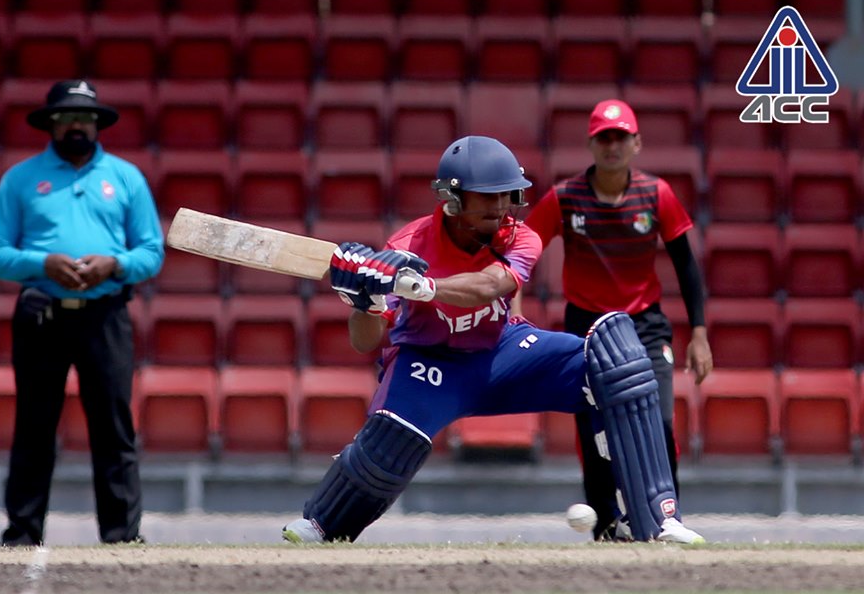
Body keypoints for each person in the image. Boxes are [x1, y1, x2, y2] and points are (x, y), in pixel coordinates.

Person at [281, 135, 704, 545]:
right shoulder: (407, 246)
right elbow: (364, 342)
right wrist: (366, 303)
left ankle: (656, 520)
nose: (501, 207)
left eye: (508, 195)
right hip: (429, 363)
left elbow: (490, 286)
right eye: (488, 197)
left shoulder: (519, 236)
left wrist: (425, 286)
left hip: (503, 352)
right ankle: (323, 524)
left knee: (616, 361)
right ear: (452, 199)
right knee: (391, 443)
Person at [0, 79, 164, 546]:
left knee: (113, 426)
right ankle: (22, 532)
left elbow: (151, 252)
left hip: (105, 313)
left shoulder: (125, 178)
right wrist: (42, 263)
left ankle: (122, 535)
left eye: (84, 117)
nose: (76, 126)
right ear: (51, 124)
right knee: (34, 424)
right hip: (42, 313)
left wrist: (114, 265)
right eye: (65, 118)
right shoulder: (21, 179)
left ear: (98, 123)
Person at [523, 99, 713, 541]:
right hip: (586, 326)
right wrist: (513, 308)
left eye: (620, 137)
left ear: (636, 143)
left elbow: (686, 266)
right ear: (592, 144)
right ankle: (608, 525)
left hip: (644, 324)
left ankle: (667, 519)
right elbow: (523, 251)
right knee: (594, 429)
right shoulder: (565, 198)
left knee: (659, 422)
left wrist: (699, 333)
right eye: (604, 138)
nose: (612, 146)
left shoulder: (657, 194)